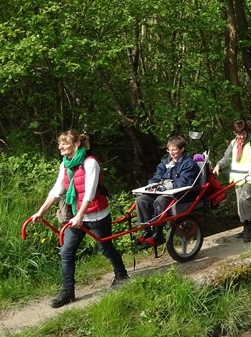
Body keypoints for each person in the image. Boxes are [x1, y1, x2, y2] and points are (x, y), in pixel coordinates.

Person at [30, 130, 129, 308]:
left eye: (64, 143)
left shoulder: (90, 163)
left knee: (105, 248)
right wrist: (40, 212)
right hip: (76, 215)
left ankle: (122, 275)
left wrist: (80, 216)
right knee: (66, 252)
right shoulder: (65, 164)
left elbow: (90, 192)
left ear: (76, 144)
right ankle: (68, 292)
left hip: (96, 215)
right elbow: (57, 190)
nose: (60, 146)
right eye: (59, 143)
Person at [136, 135, 200, 247]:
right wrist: (152, 185)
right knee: (141, 200)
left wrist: (165, 187)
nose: (172, 152)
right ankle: (147, 231)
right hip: (164, 192)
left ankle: (158, 234)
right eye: (169, 150)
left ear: (182, 149)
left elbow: (184, 181)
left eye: (174, 149)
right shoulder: (165, 162)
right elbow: (156, 176)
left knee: (160, 201)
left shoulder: (189, 163)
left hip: (181, 195)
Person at [213, 120, 251, 242]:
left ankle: (247, 228)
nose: (242, 136)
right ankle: (248, 226)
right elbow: (227, 157)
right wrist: (219, 165)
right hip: (237, 178)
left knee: (244, 201)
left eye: (244, 133)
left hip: (250, 177)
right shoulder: (233, 143)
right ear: (234, 133)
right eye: (239, 134)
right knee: (239, 203)